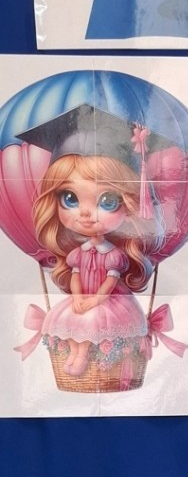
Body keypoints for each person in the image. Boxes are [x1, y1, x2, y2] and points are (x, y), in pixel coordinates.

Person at [32, 151, 154, 377]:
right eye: (70, 198)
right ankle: (74, 353)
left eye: (108, 201)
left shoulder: (113, 255)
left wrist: (95, 300)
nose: (85, 213)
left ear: (128, 205)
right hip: (83, 297)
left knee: (90, 321)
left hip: (108, 300)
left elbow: (109, 283)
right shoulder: (79, 253)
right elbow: (75, 276)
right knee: (70, 321)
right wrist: (78, 297)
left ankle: (81, 355)